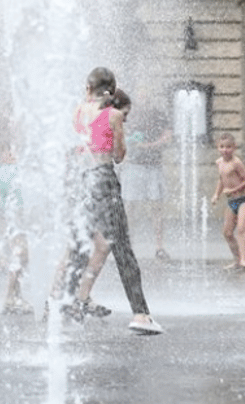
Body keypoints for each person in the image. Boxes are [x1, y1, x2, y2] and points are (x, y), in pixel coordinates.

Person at [57, 73, 163, 336]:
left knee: (80, 245)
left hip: (82, 180)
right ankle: (141, 314)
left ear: (89, 87)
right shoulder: (113, 115)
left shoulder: (78, 111)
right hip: (103, 179)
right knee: (121, 246)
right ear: (112, 91)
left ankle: (67, 304)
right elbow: (118, 155)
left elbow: (75, 146)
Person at [0, 112, 32, 315]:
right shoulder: (21, 136)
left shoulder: (3, 135)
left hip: (6, 177)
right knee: (22, 246)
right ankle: (10, 297)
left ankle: (16, 295)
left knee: (19, 242)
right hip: (17, 180)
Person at [121, 106, 173, 261]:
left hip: (154, 166)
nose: (143, 95)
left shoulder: (158, 113)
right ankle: (127, 246)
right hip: (133, 166)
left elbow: (168, 137)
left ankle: (159, 247)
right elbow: (118, 134)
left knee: (156, 206)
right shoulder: (127, 113)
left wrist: (148, 146)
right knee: (130, 207)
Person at [210, 132, 245, 271]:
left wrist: (234, 189)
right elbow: (221, 179)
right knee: (227, 233)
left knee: (241, 228)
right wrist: (216, 195)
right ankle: (237, 260)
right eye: (222, 147)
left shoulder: (236, 163)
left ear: (234, 147)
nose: (225, 150)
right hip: (231, 201)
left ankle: (244, 260)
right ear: (218, 147)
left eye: (228, 147)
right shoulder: (219, 163)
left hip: (243, 199)